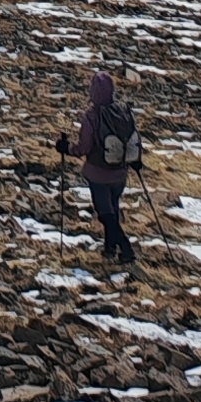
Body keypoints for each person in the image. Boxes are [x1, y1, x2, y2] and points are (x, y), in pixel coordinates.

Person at [65, 63, 139, 268]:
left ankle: (125, 248)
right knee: (112, 208)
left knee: (105, 214)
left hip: (98, 173)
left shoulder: (92, 116)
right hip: (120, 171)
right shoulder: (123, 111)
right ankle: (109, 249)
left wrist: (67, 148)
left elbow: (84, 147)